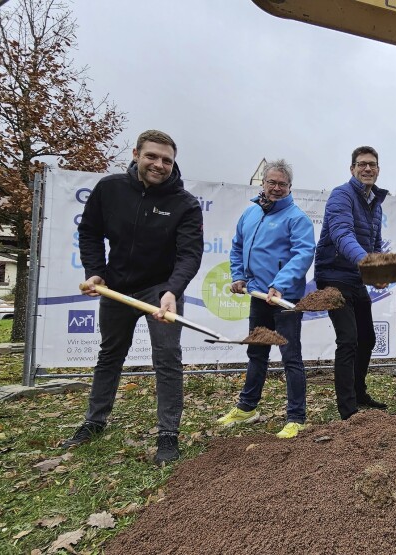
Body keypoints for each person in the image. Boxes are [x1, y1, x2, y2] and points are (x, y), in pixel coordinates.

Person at [62, 130, 203, 465]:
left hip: (161, 289)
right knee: (110, 354)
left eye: (167, 160)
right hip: (116, 287)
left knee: (167, 357)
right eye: (152, 156)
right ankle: (94, 422)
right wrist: (95, 271)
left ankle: (168, 434)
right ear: (137, 153)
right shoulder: (110, 189)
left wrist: (173, 290)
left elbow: (190, 254)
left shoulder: (184, 204)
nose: (159, 165)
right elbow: (90, 232)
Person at [218, 159, 315, 439]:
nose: (275, 188)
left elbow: (303, 254)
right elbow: (237, 247)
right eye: (271, 182)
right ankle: (247, 408)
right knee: (257, 353)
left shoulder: (297, 218)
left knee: (290, 358)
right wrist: (239, 276)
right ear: (263, 183)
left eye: (281, 184)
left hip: (284, 300)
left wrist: (280, 285)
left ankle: (296, 418)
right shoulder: (250, 214)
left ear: (289, 187)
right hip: (258, 296)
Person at [314, 146, 390, 420]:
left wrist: (377, 271)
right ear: (352, 169)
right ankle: (348, 410)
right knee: (348, 340)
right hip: (333, 275)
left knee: (367, 338)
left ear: (378, 169)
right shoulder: (341, 195)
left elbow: (375, 244)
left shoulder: (375, 204)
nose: (367, 168)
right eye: (362, 164)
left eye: (372, 164)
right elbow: (342, 234)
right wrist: (366, 263)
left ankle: (359, 393)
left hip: (356, 278)